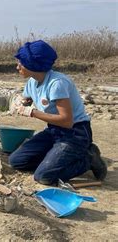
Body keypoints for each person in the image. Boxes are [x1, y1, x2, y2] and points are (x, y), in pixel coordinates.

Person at [9, 40, 107, 185]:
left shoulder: (57, 83)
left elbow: (66, 121)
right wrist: (22, 102)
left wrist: (32, 112)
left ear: (33, 65)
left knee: (43, 176)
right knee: (16, 161)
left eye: (21, 63)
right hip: (54, 131)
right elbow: (28, 98)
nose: (17, 67)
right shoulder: (32, 81)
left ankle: (88, 158)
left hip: (75, 133)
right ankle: (55, 158)